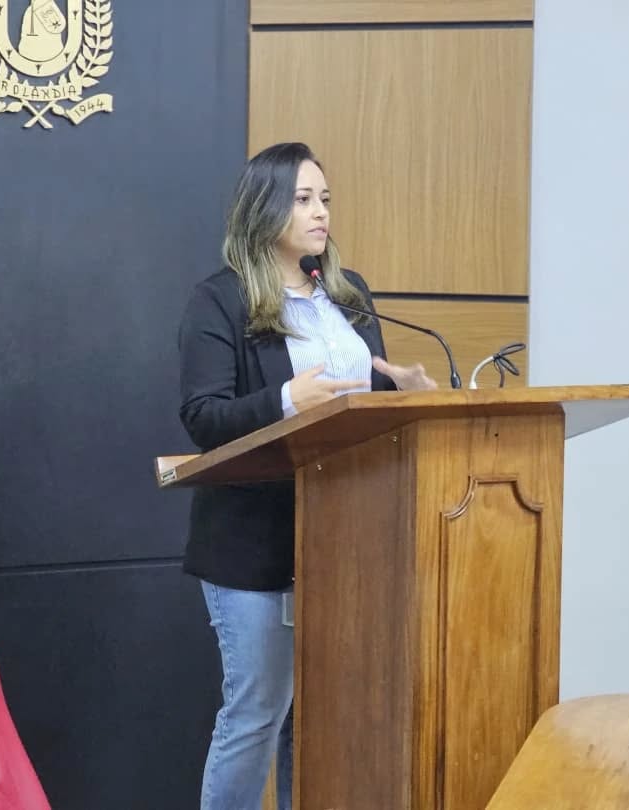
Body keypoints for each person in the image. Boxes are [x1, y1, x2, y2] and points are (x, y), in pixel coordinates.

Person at [177, 142, 437, 810]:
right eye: (302, 199)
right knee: (258, 713)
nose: (320, 212)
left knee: (319, 717)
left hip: (342, 539)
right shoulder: (222, 300)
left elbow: (360, 405)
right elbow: (203, 416)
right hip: (252, 543)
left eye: (324, 199)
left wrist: (403, 392)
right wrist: (288, 399)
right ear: (264, 208)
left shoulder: (347, 295)